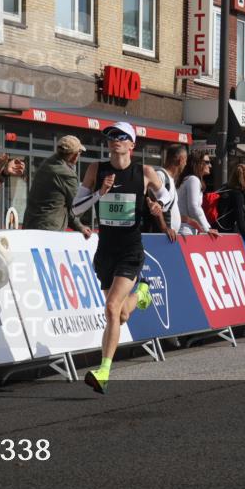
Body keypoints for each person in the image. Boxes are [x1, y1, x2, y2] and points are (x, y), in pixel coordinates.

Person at [71, 122, 174, 395]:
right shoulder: (96, 170)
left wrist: (158, 205)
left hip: (130, 250)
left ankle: (104, 372)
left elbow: (168, 195)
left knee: (111, 308)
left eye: (120, 137)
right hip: (106, 251)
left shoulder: (145, 172)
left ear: (132, 144)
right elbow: (76, 208)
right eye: (110, 136)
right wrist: (98, 194)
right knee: (122, 312)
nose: (114, 140)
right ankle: (141, 294)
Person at [22, 135, 91, 238]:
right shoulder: (66, 174)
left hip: (30, 226)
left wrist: (79, 226)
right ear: (75, 155)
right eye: (79, 152)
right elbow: (76, 208)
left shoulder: (46, 165)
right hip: (49, 231)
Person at [176, 148, 218, 237]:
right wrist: (207, 228)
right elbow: (193, 207)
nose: (210, 165)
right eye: (207, 162)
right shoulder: (193, 179)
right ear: (198, 163)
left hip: (186, 229)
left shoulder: (189, 179)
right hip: (185, 231)